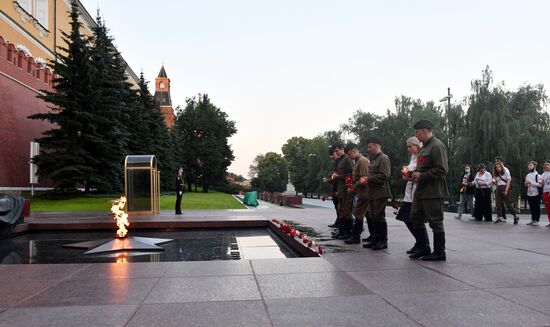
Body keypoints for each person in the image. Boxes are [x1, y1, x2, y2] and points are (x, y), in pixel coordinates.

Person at [409, 119, 448, 261]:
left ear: (424, 131)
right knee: (415, 218)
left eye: (417, 132)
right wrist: (413, 174)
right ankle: (423, 247)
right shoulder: (425, 148)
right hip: (421, 190)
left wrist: (422, 175)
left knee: (435, 221)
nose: (416, 135)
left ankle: (439, 252)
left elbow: (442, 169)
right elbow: (422, 166)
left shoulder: (437, 146)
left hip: (433, 191)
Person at [362, 137, 391, 250]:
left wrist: (368, 179)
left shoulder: (384, 158)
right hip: (372, 192)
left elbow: (384, 176)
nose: (368, 149)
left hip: (380, 192)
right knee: (373, 216)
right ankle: (375, 239)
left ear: (377, 146)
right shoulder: (374, 159)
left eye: (370, 147)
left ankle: (383, 241)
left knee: (379, 217)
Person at [396, 136, 422, 254]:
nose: (408, 149)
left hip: (417, 191)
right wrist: (406, 174)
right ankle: (419, 241)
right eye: (407, 146)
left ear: (417, 146)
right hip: (409, 192)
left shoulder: (421, 157)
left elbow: (421, 174)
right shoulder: (413, 158)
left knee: (414, 219)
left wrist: (410, 175)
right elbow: (406, 176)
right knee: (406, 218)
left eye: (410, 146)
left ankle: (421, 244)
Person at [344, 143, 370, 244]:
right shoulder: (358, 161)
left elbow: (364, 178)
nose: (349, 157)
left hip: (365, 192)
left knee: (359, 214)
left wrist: (353, 187)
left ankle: (356, 237)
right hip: (361, 192)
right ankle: (372, 236)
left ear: (354, 151)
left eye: (349, 154)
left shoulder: (362, 161)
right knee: (365, 214)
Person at [331, 143, 354, 240]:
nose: (336, 153)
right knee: (340, 210)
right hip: (340, 188)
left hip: (346, 188)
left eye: (337, 150)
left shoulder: (347, 159)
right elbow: (337, 172)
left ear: (342, 149)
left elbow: (350, 174)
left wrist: (339, 176)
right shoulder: (339, 160)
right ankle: (342, 231)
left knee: (346, 211)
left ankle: (348, 232)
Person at [524, 161, 542, 225]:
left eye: (530, 165)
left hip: (536, 193)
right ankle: (532, 219)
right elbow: (526, 184)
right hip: (529, 193)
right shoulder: (528, 175)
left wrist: (531, 182)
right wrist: (526, 184)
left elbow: (540, 185)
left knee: (536, 207)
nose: (529, 167)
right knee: (531, 207)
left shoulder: (538, 175)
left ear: (534, 166)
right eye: (528, 166)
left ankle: (537, 220)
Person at [327, 146, 341, 228]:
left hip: (340, 188)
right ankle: (338, 222)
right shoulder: (336, 162)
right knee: (337, 206)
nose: (331, 157)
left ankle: (344, 225)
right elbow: (335, 175)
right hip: (336, 187)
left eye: (333, 154)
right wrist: (331, 180)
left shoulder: (342, 161)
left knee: (342, 208)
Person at [494, 156, 510, 220]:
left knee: (506, 203)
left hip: (504, 187)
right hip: (498, 187)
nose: (496, 162)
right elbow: (496, 180)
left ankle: (513, 215)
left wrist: (506, 189)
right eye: (496, 161)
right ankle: (500, 216)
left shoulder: (505, 169)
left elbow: (508, 179)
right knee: (498, 203)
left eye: (497, 161)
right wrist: (495, 181)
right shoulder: (497, 170)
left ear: (501, 162)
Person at [538, 160, 550, 227]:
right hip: (545, 192)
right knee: (548, 208)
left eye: (548, 164)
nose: (546, 166)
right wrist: (540, 182)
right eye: (545, 165)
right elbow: (542, 183)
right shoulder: (543, 174)